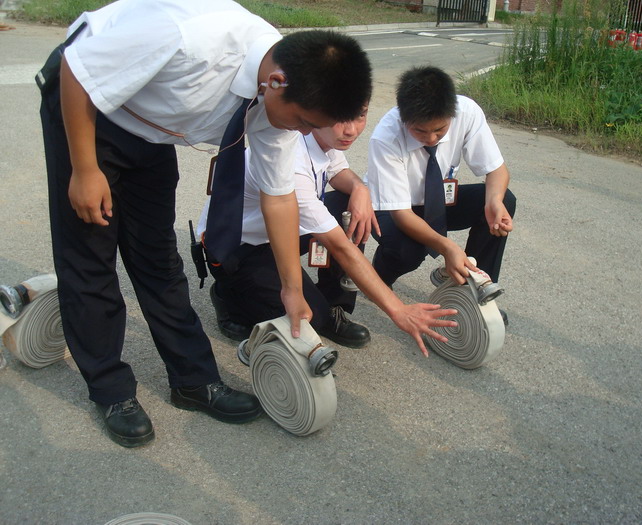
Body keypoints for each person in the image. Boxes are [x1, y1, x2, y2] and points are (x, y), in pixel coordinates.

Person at [39, 0, 372, 447]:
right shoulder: (187, 38)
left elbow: (278, 199)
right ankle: (111, 390)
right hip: (87, 104)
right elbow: (78, 71)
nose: (307, 134)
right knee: (91, 258)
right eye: (305, 123)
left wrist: (291, 289)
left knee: (157, 257)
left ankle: (193, 381)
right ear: (275, 83)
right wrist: (84, 169)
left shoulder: (286, 93)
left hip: (152, 129)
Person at [199, 107, 457, 356]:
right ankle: (228, 295)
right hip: (238, 248)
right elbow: (340, 247)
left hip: (280, 229)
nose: (351, 130)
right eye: (339, 119)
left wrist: (360, 188)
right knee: (311, 318)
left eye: (360, 116)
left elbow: (337, 171)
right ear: (315, 112)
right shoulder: (290, 162)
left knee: (350, 205)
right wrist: (398, 310)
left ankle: (335, 303)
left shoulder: (320, 137)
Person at [365, 66, 516, 320]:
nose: (432, 138)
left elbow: (497, 170)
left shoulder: (466, 112)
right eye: (420, 131)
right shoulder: (385, 137)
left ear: (451, 114)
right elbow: (401, 214)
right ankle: (379, 278)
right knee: (408, 251)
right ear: (403, 118)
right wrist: (448, 248)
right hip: (393, 208)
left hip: (437, 201)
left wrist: (494, 202)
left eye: (440, 130)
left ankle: (474, 288)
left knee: (504, 200)